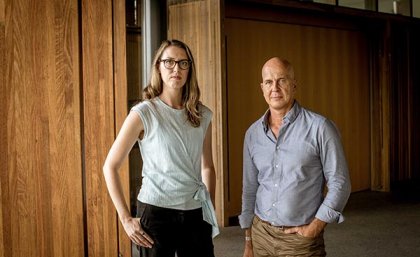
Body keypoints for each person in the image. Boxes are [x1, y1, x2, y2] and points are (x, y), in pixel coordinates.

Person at [103, 39, 219, 257]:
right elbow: (110, 166)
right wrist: (126, 219)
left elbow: (208, 167)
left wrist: (209, 208)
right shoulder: (144, 112)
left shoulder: (203, 115)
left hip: (195, 212)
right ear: (158, 66)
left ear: (190, 69)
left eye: (183, 63)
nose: (176, 68)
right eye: (169, 62)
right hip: (156, 212)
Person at [239, 57, 351, 257]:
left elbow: (340, 183)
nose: (275, 87)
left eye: (281, 80)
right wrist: (249, 240)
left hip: (299, 241)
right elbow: (250, 188)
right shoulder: (252, 134)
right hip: (260, 236)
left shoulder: (320, 128)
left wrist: (314, 228)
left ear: (294, 85)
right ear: (262, 88)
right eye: (268, 82)